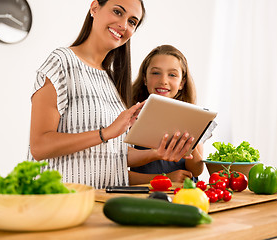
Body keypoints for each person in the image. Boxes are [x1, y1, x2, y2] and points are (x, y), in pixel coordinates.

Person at [28, 0, 192, 189]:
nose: (123, 25)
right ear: (95, 8)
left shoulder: (112, 81)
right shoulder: (62, 62)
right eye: (117, 12)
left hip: (102, 202)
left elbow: (115, 154)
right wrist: (105, 133)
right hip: (61, 201)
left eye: (132, 22)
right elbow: (40, 146)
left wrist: (158, 152)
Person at [128, 45, 204, 184]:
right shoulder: (130, 116)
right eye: (156, 73)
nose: (163, 80)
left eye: (172, 75)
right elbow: (117, 172)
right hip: (143, 194)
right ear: (144, 78)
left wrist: (190, 146)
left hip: (182, 193)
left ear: (182, 83)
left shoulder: (192, 116)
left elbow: (197, 170)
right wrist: (165, 179)